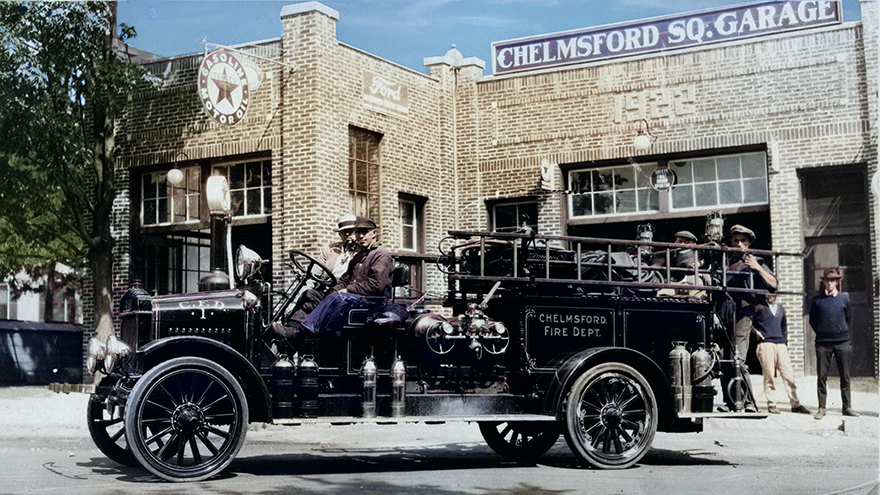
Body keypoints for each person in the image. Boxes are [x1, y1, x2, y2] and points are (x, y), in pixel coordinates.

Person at [301, 217, 394, 335]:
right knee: (311, 294)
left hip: (371, 301)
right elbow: (345, 279)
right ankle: (292, 326)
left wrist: (347, 289)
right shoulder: (358, 257)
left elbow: (375, 285)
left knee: (339, 297)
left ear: (374, 233)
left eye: (365, 232)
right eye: (358, 232)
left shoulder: (381, 255)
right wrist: (334, 290)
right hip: (354, 298)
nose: (360, 236)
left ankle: (303, 332)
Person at [809, 268, 857, 419]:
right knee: (822, 376)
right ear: (823, 282)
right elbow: (813, 321)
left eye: (832, 281)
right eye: (826, 281)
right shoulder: (817, 300)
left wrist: (839, 332)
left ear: (837, 282)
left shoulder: (844, 299)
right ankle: (822, 407)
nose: (829, 284)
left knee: (845, 376)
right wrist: (823, 332)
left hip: (842, 342)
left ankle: (847, 407)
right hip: (823, 343)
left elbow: (848, 318)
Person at [725, 224, 777, 360]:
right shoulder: (728, 262)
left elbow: (774, 283)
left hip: (745, 312)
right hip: (726, 312)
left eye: (743, 241)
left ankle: (740, 380)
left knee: (737, 358)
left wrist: (757, 268)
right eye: (736, 241)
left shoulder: (756, 261)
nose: (739, 244)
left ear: (749, 243)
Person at [752, 293, 810, 414]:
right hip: (766, 344)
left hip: (780, 345)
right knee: (769, 375)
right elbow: (748, 323)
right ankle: (771, 404)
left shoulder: (781, 309)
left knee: (788, 374)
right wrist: (755, 332)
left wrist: (784, 342)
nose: (771, 296)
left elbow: (784, 328)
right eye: (769, 293)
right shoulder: (759, 308)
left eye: (774, 293)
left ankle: (795, 404)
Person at [319, 213, 359, 279]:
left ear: (357, 233)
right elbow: (314, 273)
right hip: (327, 285)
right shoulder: (330, 250)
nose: (347, 234)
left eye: (350, 231)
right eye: (344, 232)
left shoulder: (361, 251)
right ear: (340, 235)